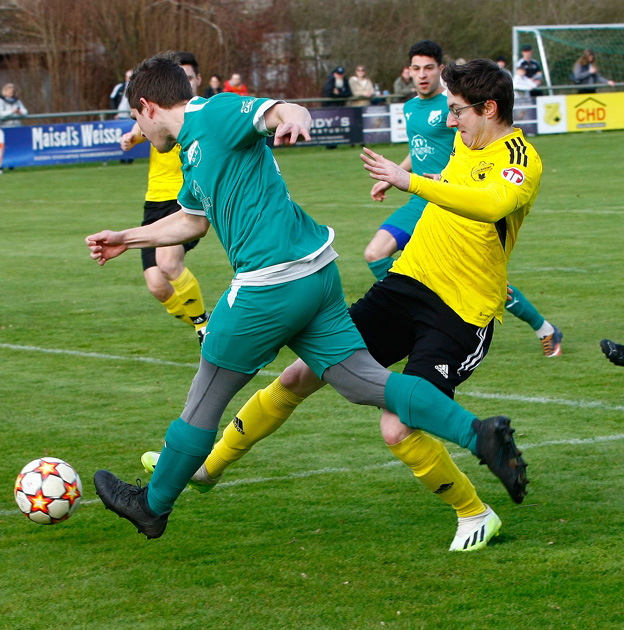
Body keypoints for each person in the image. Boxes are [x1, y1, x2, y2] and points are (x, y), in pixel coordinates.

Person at [86, 53, 525, 542]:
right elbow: (192, 219)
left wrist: (294, 120)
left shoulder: (212, 113)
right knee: (363, 381)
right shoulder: (192, 149)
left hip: (268, 285)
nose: (138, 131)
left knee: (204, 398)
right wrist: (128, 237)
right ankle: (477, 434)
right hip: (317, 275)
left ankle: (152, 505)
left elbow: (280, 111)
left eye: (134, 120)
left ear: (147, 106)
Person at [364, 41, 562, 358]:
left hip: (449, 199)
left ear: (439, 70)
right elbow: (419, 150)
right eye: (415, 68)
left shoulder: (463, 109)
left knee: (481, 279)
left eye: (428, 67)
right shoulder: (411, 108)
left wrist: (419, 181)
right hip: (425, 198)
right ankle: (413, 313)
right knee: (375, 253)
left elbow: (486, 173)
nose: (421, 74)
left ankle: (543, 327)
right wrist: (397, 175)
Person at [118, 51, 209, 346]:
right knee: (157, 285)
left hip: (184, 198)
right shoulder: (153, 115)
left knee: (168, 262)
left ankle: (205, 330)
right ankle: (207, 325)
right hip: (155, 200)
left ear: (197, 80)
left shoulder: (204, 113)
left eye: (190, 77)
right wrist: (133, 136)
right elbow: (141, 124)